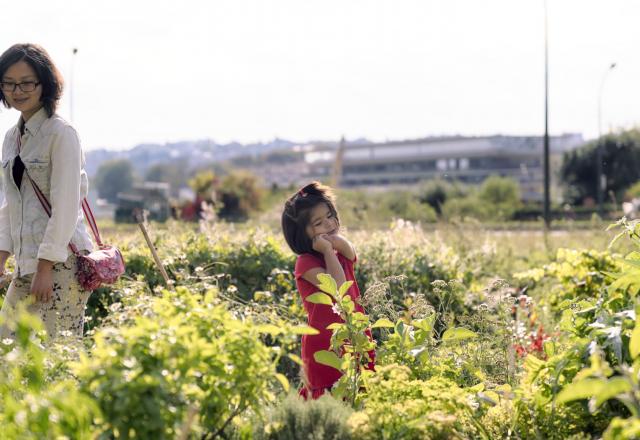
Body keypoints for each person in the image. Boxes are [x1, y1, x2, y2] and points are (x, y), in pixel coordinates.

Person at [0, 43, 94, 339]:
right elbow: (12, 204)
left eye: (27, 82)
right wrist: (1, 257)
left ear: (45, 84)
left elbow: (66, 206)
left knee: (58, 355)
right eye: (9, 83)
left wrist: (45, 267)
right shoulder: (12, 137)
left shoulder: (61, 134)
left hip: (61, 264)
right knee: (7, 350)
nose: (18, 91)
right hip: (26, 265)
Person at [281, 181, 374, 399]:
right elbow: (338, 287)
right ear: (302, 234)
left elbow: (350, 251)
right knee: (329, 393)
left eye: (331, 215)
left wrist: (331, 241)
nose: (330, 224)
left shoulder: (339, 249)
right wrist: (328, 252)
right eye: (319, 223)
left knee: (361, 388)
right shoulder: (305, 263)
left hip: (354, 330)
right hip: (325, 341)